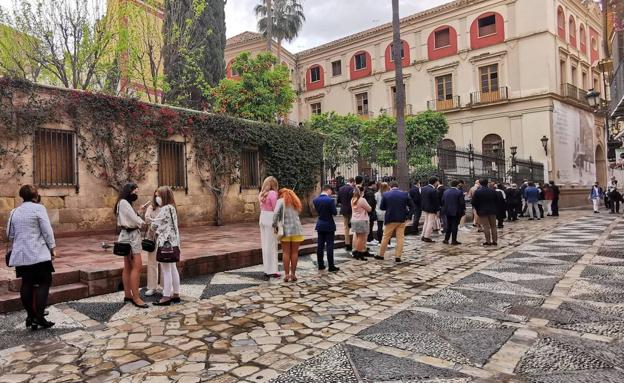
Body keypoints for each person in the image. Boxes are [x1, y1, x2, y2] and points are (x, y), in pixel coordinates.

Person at [6, 185, 56, 330]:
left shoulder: (14, 211)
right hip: (38, 253)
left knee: (26, 283)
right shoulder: (39, 209)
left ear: (22, 196)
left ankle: (30, 316)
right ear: (35, 196)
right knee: (44, 281)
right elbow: (47, 231)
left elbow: (10, 234)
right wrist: (52, 248)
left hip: (21, 255)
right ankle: (39, 317)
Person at [115, 183, 148, 308]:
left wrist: (138, 213)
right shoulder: (124, 202)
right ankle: (136, 297)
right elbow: (134, 220)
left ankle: (128, 295)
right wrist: (143, 221)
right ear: (129, 191)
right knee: (137, 267)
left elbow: (131, 217)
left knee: (128, 266)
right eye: (135, 191)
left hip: (127, 236)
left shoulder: (124, 203)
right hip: (131, 237)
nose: (136, 194)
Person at [151, 187, 182, 306]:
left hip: (165, 244)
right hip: (174, 243)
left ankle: (166, 296)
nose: (156, 198)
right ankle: (176, 294)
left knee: (166, 270)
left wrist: (148, 223)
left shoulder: (165, 208)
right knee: (173, 268)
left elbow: (155, 224)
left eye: (158, 195)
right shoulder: (172, 208)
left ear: (163, 196)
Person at [273, 188, 305, 282]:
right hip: (297, 230)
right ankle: (293, 274)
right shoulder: (295, 201)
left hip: (285, 231)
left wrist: (274, 226)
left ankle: (286, 275)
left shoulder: (280, 201)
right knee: (295, 253)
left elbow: (275, 215)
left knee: (286, 252)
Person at [379, 181, 415, 262]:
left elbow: (382, 207)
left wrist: (389, 207)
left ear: (390, 187)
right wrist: (408, 216)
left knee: (386, 237)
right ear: (398, 186)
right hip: (401, 219)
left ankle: (381, 255)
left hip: (390, 218)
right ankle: (398, 256)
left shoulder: (386, 194)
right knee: (400, 238)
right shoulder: (405, 194)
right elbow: (412, 206)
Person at [313, 185, 340, 272]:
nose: (331, 193)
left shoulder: (315, 200)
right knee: (329, 245)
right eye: (331, 191)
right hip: (329, 224)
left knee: (320, 245)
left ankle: (320, 265)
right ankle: (331, 266)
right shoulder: (330, 200)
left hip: (320, 224)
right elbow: (335, 213)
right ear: (328, 190)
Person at [258, 176, 280, 280]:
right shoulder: (273, 194)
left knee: (265, 244)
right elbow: (276, 209)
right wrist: (278, 224)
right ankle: (273, 270)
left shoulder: (261, 193)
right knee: (272, 245)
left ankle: (266, 269)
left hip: (262, 217)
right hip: (271, 218)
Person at [144, 190, 162, 296]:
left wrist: (154, 220)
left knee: (165, 261)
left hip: (164, 237)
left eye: (159, 195)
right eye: (156, 195)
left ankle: (164, 286)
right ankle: (152, 287)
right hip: (152, 237)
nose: (157, 197)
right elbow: (146, 219)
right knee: (152, 262)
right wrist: (156, 221)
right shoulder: (151, 207)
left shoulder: (167, 207)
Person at [471, 179, 500, 246]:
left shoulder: (478, 192)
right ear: (487, 183)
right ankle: (495, 241)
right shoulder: (493, 191)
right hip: (492, 210)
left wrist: (478, 208)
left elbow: (473, 202)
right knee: (493, 226)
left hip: (482, 211)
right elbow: (497, 200)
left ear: (480, 184)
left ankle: (488, 241)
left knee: (486, 226)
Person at [350, 187, 372, 260]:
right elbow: (369, 209)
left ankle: (356, 252)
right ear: (360, 192)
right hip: (362, 220)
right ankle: (360, 253)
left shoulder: (352, 200)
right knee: (361, 238)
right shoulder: (362, 200)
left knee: (357, 236)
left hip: (354, 219)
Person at [441, 180, 465, 245]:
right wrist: (463, 210)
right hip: (456, 211)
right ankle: (454, 240)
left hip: (447, 211)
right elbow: (462, 203)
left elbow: (442, 201)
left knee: (449, 225)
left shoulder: (445, 192)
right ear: (457, 185)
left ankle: (446, 239)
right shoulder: (459, 192)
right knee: (454, 226)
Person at [421, 177, 441, 243]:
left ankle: (423, 235)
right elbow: (436, 202)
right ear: (435, 182)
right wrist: (437, 210)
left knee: (426, 222)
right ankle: (427, 237)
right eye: (437, 181)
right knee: (430, 222)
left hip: (425, 207)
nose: (438, 183)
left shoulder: (423, 188)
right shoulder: (434, 190)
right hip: (432, 209)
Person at [338, 178, 355, 251]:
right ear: (352, 182)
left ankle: (347, 243)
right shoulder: (352, 189)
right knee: (354, 226)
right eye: (353, 182)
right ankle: (354, 244)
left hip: (344, 209)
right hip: (351, 210)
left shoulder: (341, 188)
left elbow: (338, 200)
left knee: (346, 227)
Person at [375, 182, 394, 250]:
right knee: (388, 228)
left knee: (379, 227)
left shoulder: (377, 194)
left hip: (379, 212)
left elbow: (375, 203)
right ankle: (388, 242)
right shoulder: (389, 194)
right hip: (387, 212)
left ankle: (380, 242)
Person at [364, 181, 378, 246]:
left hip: (370, 211)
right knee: (370, 225)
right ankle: (369, 239)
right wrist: (370, 211)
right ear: (372, 184)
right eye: (375, 184)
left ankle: (371, 238)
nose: (376, 186)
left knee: (371, 225)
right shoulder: (370, 192)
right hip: (370, 211)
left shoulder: (367, 190)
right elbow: (370, 203)